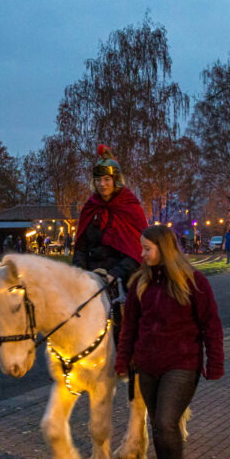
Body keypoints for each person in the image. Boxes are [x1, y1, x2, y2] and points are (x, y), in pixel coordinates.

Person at [115, 225, 224, 459]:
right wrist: (123, 359)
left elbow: (211, 324)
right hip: (148, 365)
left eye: (147, 249)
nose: (142, 254)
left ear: (163, 249)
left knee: (166, 421)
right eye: (142, 248)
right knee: (156, 424)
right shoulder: (140, 283)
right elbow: (129, 327)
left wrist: (214, 362)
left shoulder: (193, 282)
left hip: (181, 364)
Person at [72, 144, 149, 344]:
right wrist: (80, 271)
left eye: (106, 179)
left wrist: (113, 274)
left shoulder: (130, 206)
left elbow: (136, 251)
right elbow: (81, 247)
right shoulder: (90, 207)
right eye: (98, 180)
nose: (102, 184)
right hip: (91, 274)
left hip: (123, 274)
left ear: (115, 180)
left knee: (134, 317)